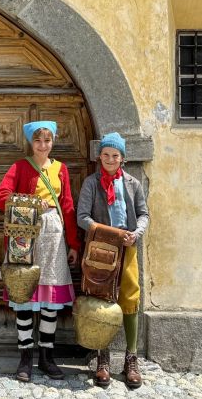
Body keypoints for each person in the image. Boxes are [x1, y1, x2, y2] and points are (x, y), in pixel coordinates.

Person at [0, 121, 80, 382]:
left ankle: (47, 356)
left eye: (48, 140)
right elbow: (1, 196)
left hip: (53, 236)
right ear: (32, 142)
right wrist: (28, 202)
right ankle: (25, 357)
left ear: (53, 142)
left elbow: (67, 206)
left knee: (50, 298)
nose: (43, 145)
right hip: (24, 233)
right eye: (39, 141)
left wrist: (74, 243)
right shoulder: (20, 167)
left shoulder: (60, 169)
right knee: (23, 294)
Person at [76, 132, 149, 389]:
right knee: (101, 297)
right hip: (101, 250)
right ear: (100, 157)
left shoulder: (132, 184)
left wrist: (135, 234)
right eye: (106, 155)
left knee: (130, 297)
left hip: (127, 248)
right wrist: (105, 233)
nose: (110, 159)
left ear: (122, 158)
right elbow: (82, 216)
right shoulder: (91, 184)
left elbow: (143, 214)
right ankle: (102, 358)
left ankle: (131, 357)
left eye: (115, 155)